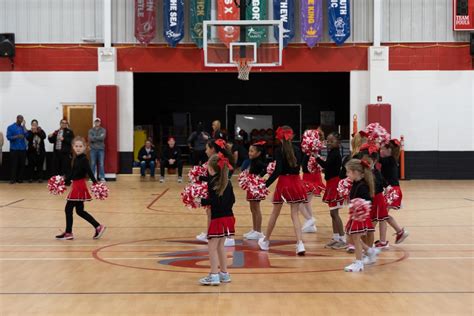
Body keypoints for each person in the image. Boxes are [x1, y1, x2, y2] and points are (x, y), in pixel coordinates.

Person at [258, 126, 308, 255]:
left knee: (275, 213)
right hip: (296, 182)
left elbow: (278, 171)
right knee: (295, 214)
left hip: (284, 183)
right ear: (291, 136)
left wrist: (265, 184)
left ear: (279, 137)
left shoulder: (279, 151)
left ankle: (266, 241)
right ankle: (300, 244)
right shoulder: (297, 150)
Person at [55, 136, 106, 240]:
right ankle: (98, 226)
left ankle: (69, 233)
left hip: (79, 186)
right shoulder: (76, 159)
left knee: (68, 208)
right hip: (76, 185)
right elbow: (73, 174)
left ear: (85, 147)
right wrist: (62, 182)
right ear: (73, 147)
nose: (78, 148)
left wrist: (96, 183)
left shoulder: (83, 159)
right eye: (76, 146)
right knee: (80, 211)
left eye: (80, 146)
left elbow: (90, 172)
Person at [197, 153, 236, 285]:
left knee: (212, 247)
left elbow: (214, 201)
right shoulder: (227, 182)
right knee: (221, 246)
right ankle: (224, 274)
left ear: (212, 169)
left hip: (218, 218)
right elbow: (232, 200)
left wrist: (200, 200)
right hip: (229, 217)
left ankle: (214, 274)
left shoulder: (214, 183)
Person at [195, 139, 236, 247]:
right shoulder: (215, 160)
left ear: (212, 149)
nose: (205, 151)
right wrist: (200, 177)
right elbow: (211, 178)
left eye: (207, 148)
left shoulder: (219, 161)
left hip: (222, 190)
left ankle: (228, 236)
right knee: (211, 211)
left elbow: (216, 178)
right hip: (221, 189)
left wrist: (201, 200)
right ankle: (211, 233)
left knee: (221, 210)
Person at [343, 159, 379, 272]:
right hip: (355, 216)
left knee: (355, 238)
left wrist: (358, 209)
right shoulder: (355, 183)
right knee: (349, 238)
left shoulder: (362, 186)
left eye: (348, 172)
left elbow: (367, 202)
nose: (346, 174)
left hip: (360, 217)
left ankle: (359, 263)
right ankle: (370, 251)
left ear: (355, 172)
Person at [316, 132, 346, 249]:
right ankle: (336, 237)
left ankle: (343, 239)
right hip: (330, 183)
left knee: (334, 212)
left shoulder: (335, 153)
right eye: (328, 141)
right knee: (332, 212)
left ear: (338, 143)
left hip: (335, 184)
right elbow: (329, 167)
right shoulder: (332, 152)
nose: (328, 143)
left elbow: (326, 165)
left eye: (331, 141)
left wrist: (316, 157)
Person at [379, 139, 409, 246]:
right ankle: (399, 232)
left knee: (382, 215)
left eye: (383, 149)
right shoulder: (391, 159)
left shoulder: (390, 159)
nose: (381, 151)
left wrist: (373, 145)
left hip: (392, 190)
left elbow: (377, 159)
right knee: (383, 215)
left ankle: (383, 241)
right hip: (392, 190)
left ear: (389, 150)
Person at [241, 141, 267, 240]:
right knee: (252, 209)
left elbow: (267, 168)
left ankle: (258, 231)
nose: (249, 153)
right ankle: (254, 229)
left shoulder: (259, 162)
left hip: (255, 187)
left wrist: (260, 177)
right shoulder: (252, 161)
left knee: (256, 209)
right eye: (249, 151)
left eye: (252, 151)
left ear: (258, 153)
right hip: (251, 185)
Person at [6, 115, 28, 184]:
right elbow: (8, 137)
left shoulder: (23, 128)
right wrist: (17, 136)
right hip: (14, 149)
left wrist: (24, 126)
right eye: (20, 118)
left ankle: (20, 179)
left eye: (22, 119)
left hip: (22, 149)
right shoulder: (10, 127)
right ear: (17, 118)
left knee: (22, 165)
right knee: (14, 165)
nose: (21, 120)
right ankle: (13, 179)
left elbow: (27, 135)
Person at [88, 118, 106, 182]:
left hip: (101, 149)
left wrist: (94, 137)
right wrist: (98, 137)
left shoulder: (103, 130)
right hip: (93, 149)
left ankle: (102, 177)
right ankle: (92, 177)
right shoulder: (90, 130)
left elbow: (102, 138)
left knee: (101, 164)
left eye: (98, 122)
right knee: (93, 163)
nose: (97, 123)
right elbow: (90, 139)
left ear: (100, 123)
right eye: (96, 122)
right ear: (94, 123)